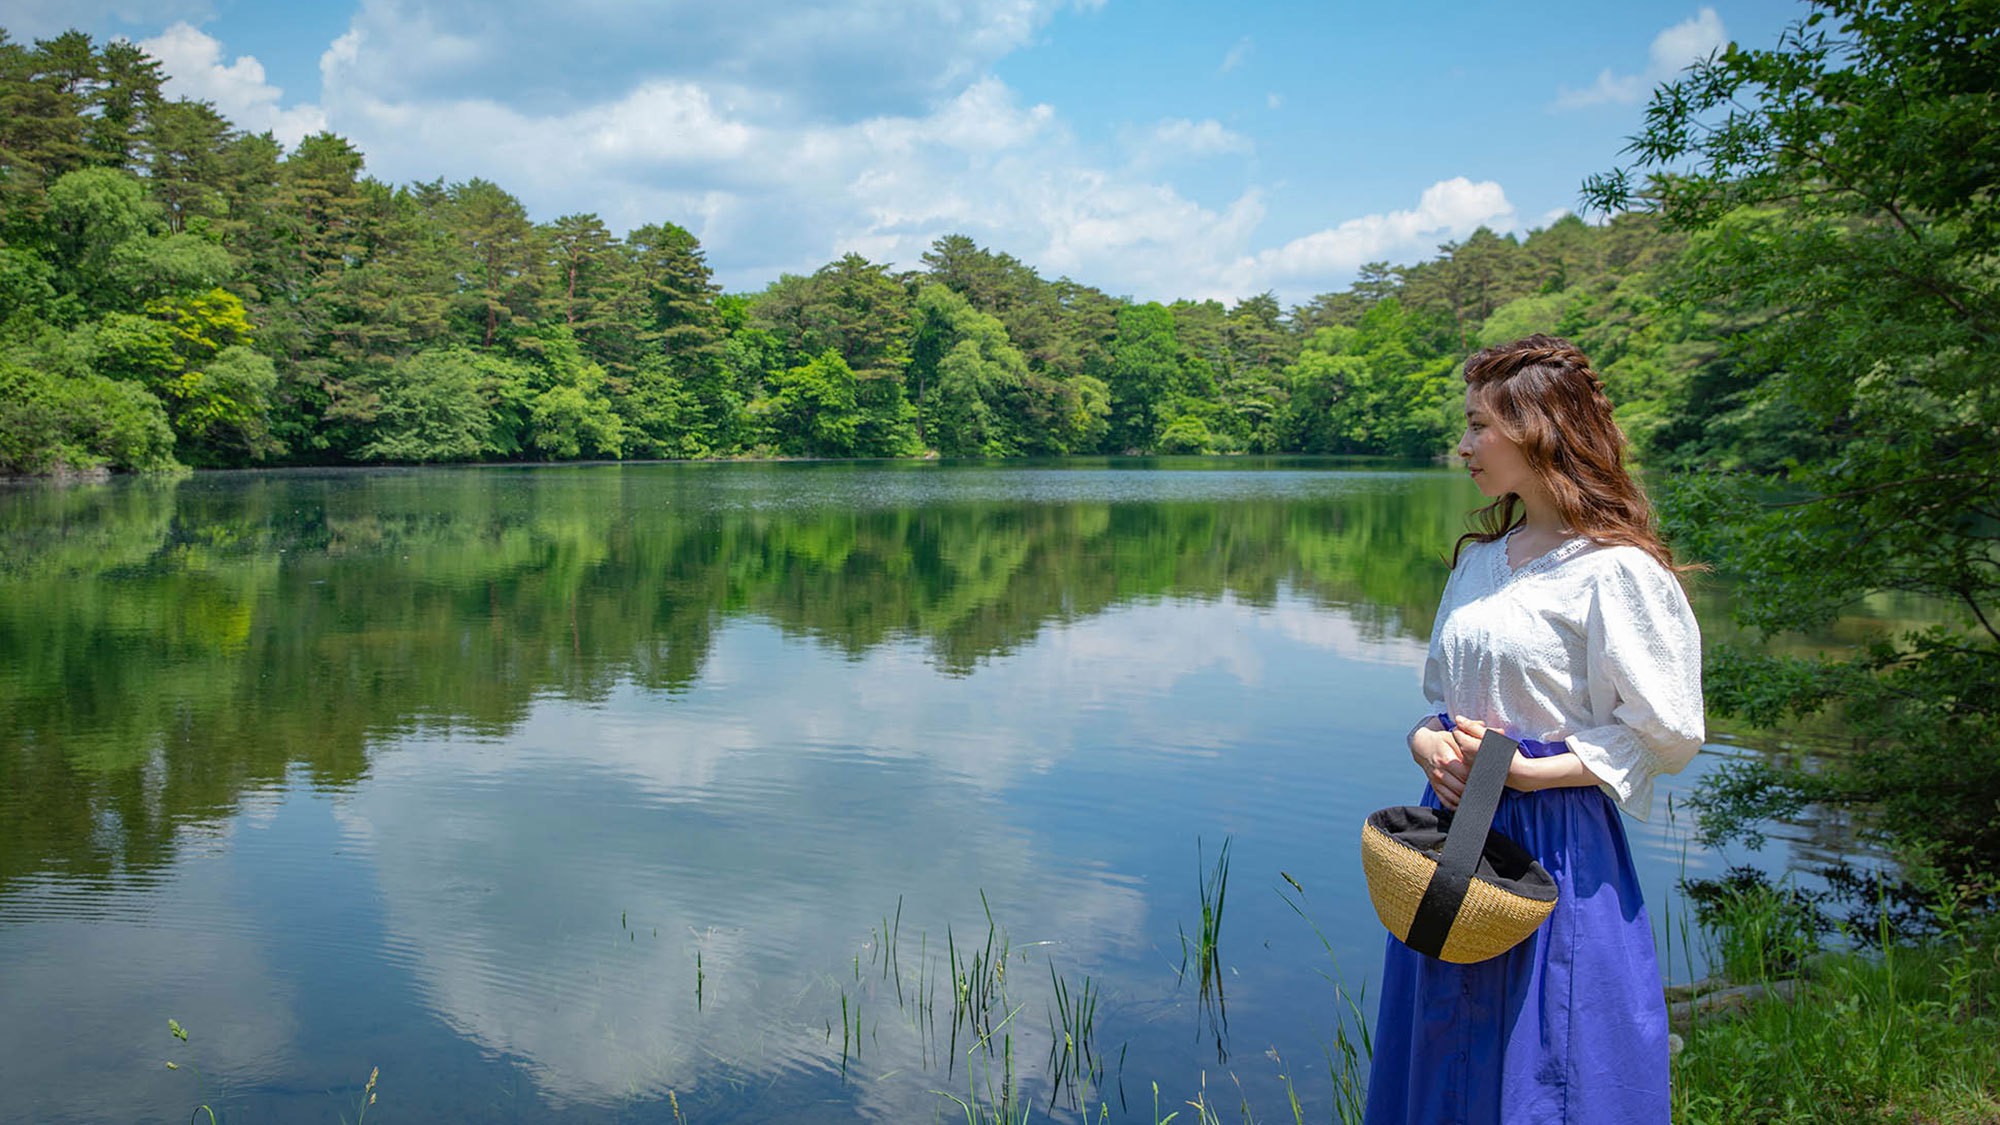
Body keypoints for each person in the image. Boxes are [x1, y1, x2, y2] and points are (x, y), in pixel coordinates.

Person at [1364, 334, 1705, 1125]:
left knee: (1554, 1048)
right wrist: (1426, 741)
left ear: (1540, 428)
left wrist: (1531, 773)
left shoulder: (1614, 570)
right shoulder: (1480, 561)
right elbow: (1442, 700)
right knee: (1444, 1035)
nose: (1464, 444)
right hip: (1450, 837)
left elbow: (1671, 731)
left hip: (1554, 839)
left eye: (1480, 424)